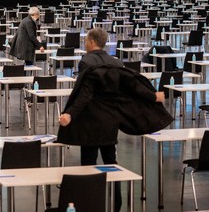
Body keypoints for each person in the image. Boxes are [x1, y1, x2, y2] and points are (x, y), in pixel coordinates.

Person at [57, 28, 168, 212]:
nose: (85, 43)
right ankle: (116, 204)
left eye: (86, 40)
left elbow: (86, 93)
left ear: (92, 42)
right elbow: (132, 85)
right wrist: (152, 96)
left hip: (90, 123)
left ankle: (88, 203)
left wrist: (70, 114)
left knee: (88, 165)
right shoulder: (115, 62)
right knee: (111, 163)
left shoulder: (86, 62)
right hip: (110, 121)